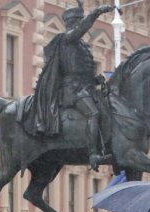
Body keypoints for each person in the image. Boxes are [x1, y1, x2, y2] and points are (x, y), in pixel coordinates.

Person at [28, 1, 115, 168]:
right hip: (72, 90)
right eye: (79, 22)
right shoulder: (67, 39)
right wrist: (97, 12)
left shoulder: (81, 45)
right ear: (73, 23)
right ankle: (92, 154)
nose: (83, 27)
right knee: (93, 114)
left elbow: (82, 71)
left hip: (84, 88)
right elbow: (81, 30)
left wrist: (95, 80)